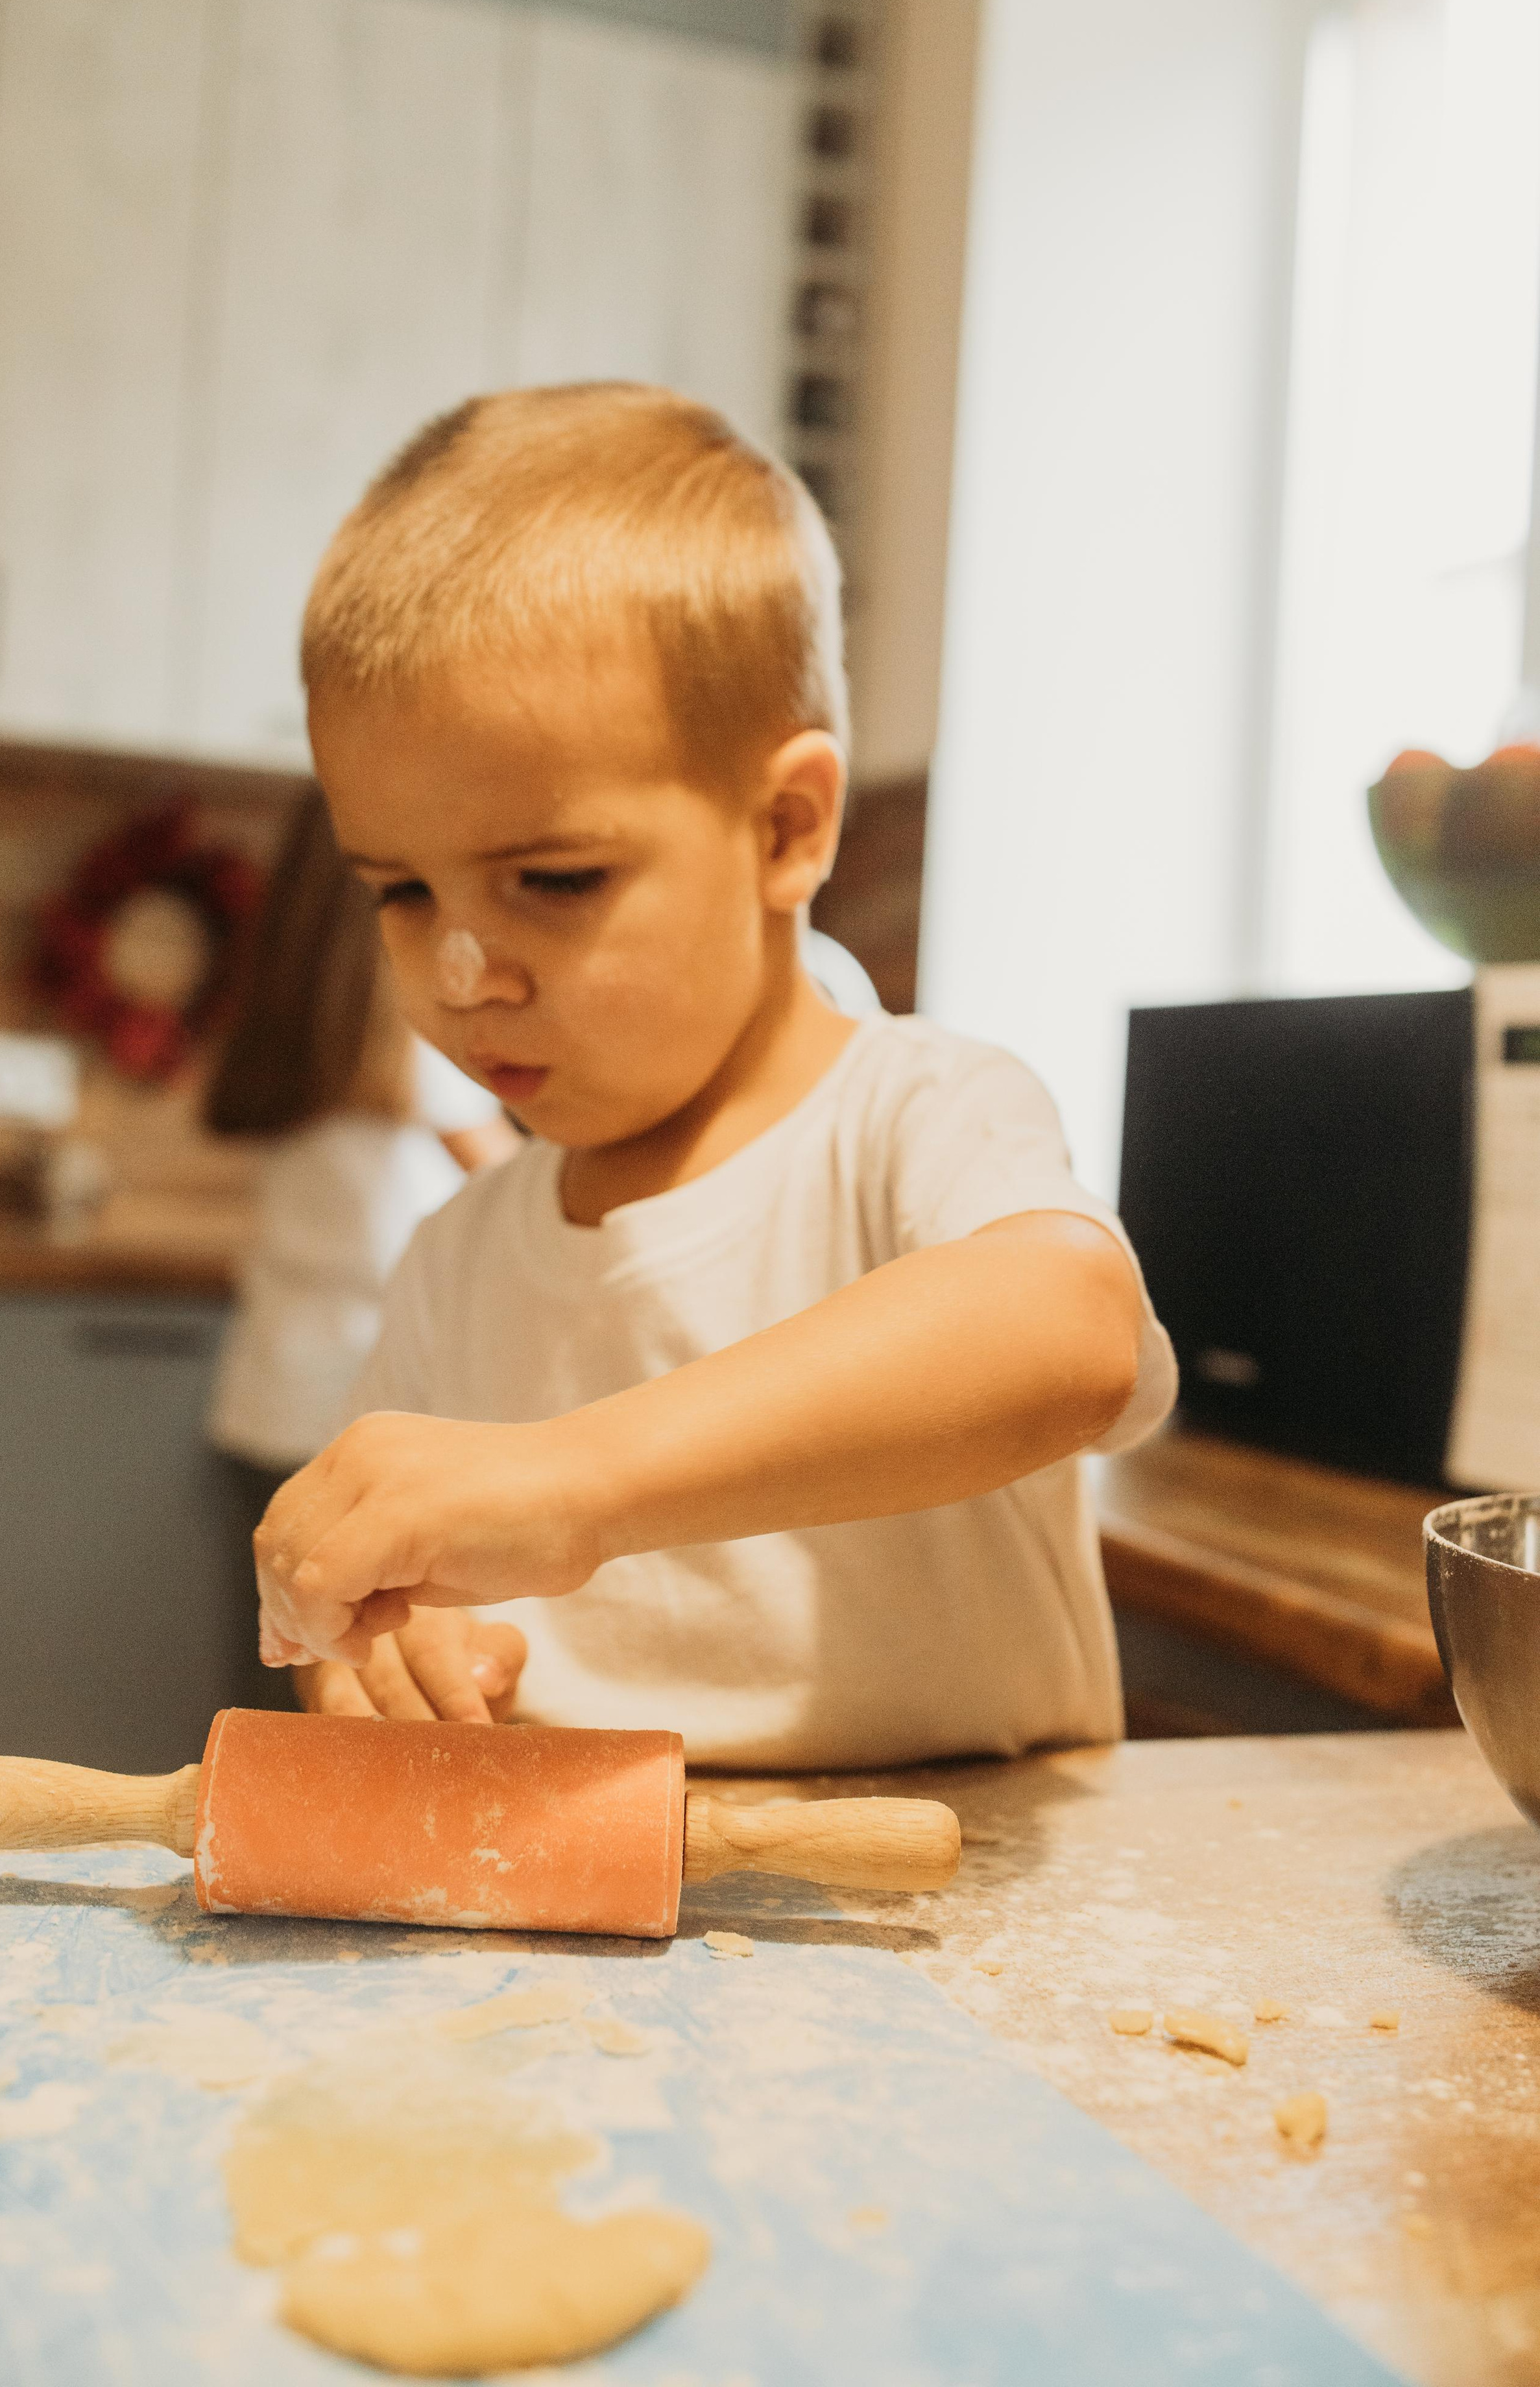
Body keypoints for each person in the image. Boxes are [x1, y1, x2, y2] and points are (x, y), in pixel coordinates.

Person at [255, 383, 1177, 1766]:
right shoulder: (457, 1263)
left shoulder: (913, 1115)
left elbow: (1071, 1335)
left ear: (786, 829)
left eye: (551, 881)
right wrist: (380, 1655)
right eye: (396, 891)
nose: (458, 974)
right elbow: (380, 1634)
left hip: (969, 1938)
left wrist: (575, 1481)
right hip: (603, 1945)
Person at [203, 788, 520, 1707]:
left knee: (276, 1675)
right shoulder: (418, 1052)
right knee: (352, 1691)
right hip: (357, 1423)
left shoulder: (292, 1028)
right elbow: (525, 1188)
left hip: (266, 1400)